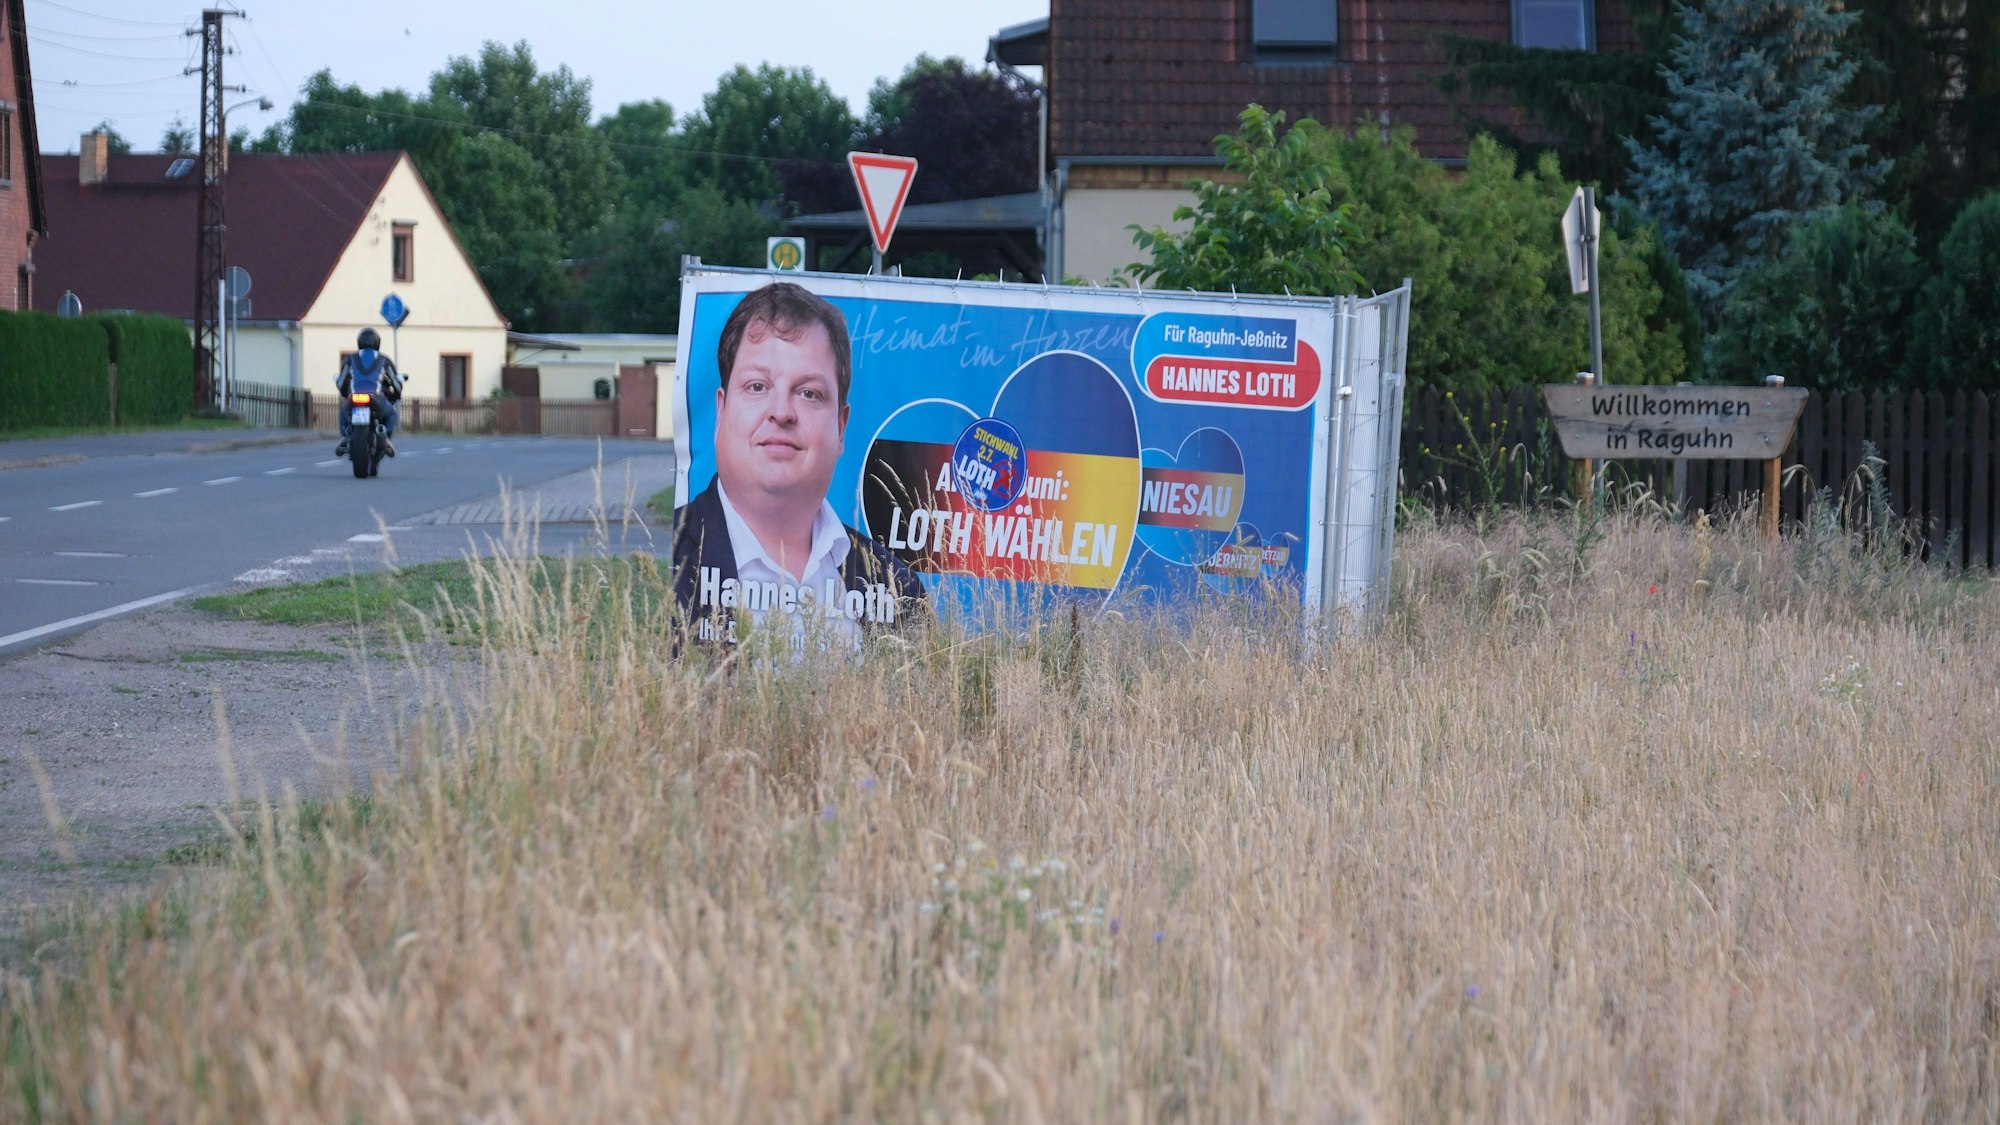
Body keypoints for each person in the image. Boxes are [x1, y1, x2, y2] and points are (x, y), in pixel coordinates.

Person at [672, 281, 926, 649]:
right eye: (758, 387)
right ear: (721, 411)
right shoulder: (662, 564)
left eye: (809, 393)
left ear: (840, 427)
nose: (781, 412)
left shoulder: (896, 588)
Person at [333, 328, 403, 458]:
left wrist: (344, 393)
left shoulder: (350, 358)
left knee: (343, 411)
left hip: (354, 397)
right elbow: (396, 382)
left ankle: (345, 435)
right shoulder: (384, 360)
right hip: (375, 397)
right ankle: (386, 436)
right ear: (377, 342)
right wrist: (397, 394)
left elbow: (341, 381)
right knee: (392, 414)